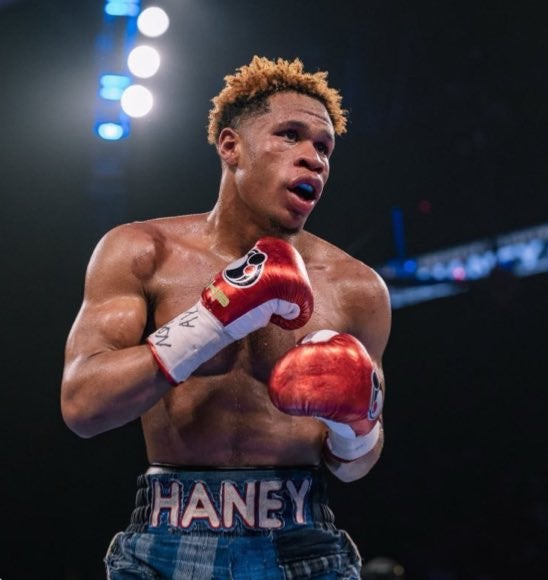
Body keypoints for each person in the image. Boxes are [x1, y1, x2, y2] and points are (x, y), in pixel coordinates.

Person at [61, 55, 392, 579]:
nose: (313, 159)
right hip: (168, 537)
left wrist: (355, 427)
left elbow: (357, 466)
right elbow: (83, 405)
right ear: (230, 146)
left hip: (304, 542)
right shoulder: (143, 251)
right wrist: (212, 319)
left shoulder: (357, 288)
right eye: (290, 135)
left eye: (323, 148)